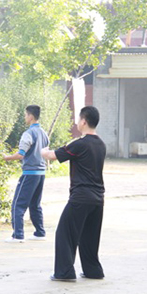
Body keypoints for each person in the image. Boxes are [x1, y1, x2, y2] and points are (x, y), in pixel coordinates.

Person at [41, 106, 106, 282]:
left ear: (83, 121)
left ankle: (64, 272)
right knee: (90, 237)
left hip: (81, 197)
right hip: (98, 198)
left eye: (78, 119)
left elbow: (52, 155)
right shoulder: (101, 144)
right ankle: (93, 271)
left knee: (65, 233)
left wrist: (42, 151)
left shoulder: (79, 143)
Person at [3, 105, 49, 243]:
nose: (25, 117)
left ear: (31, 116)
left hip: (29, 173)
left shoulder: (28, 134)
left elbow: (21, 154)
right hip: (41, 173)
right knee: (35, 204)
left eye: (25, 115)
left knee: (18, 204)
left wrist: (6, 158)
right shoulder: (44, 133)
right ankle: (40, 232)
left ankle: (18, 235)